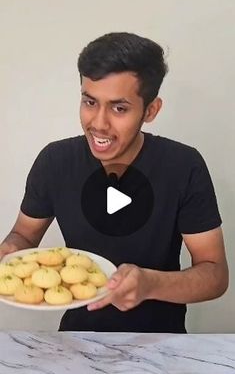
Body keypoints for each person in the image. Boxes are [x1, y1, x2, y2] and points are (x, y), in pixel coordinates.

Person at [0, 32, 228, 333]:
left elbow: (215, 276)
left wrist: (150, 284)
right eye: (89, 102)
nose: (99, 122)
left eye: (119, 108)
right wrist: (10, 251)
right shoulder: (54, 161)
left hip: (163, 348)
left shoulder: (183, 165)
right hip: (77, 341)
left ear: (151, 110)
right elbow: (23, 237)